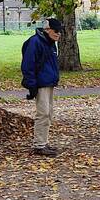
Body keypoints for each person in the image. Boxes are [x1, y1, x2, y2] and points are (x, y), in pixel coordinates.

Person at [21, 17, 61, 156]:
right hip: (41, 84)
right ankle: (39, 145)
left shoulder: (49, 43)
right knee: (43, 113)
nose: (58, 34)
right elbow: (28, 65)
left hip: (48, 83)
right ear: (47, 30)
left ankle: (43, 142)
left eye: (60, 31)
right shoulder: (35, 42)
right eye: (56, 30)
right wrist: (32, 86)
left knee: (48, 113)